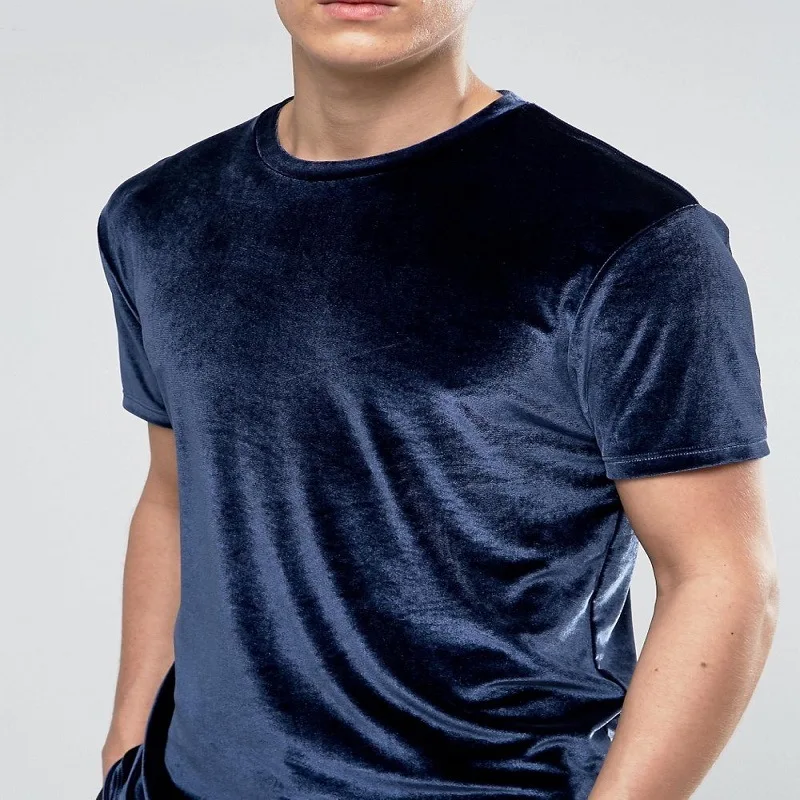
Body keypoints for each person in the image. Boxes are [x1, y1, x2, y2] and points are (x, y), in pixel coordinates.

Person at [94, 1, 779, 799]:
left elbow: (721, 576)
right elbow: (176, 494)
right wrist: (125, 746)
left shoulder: (632, 240)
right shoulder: (158, 217)